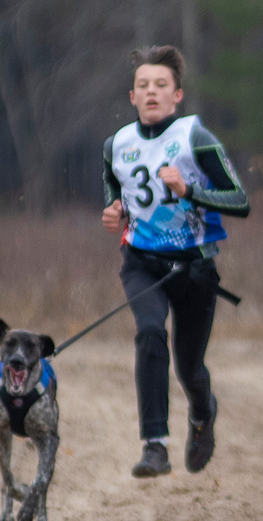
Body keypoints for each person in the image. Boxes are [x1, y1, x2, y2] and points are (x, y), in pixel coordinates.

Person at [101, 46, 250, 478]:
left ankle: (203, 415)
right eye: (143, 86)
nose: (152, 93)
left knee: (188, 366)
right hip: (142, 264)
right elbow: (114, 195)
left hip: (194, 268)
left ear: (177, 95)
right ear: (132, 96)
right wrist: (112, 211)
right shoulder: (116, 145)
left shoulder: (195, 138)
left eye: (161, 85)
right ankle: (154, 446)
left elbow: (240, 200)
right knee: (149, 334)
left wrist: (190, 191)